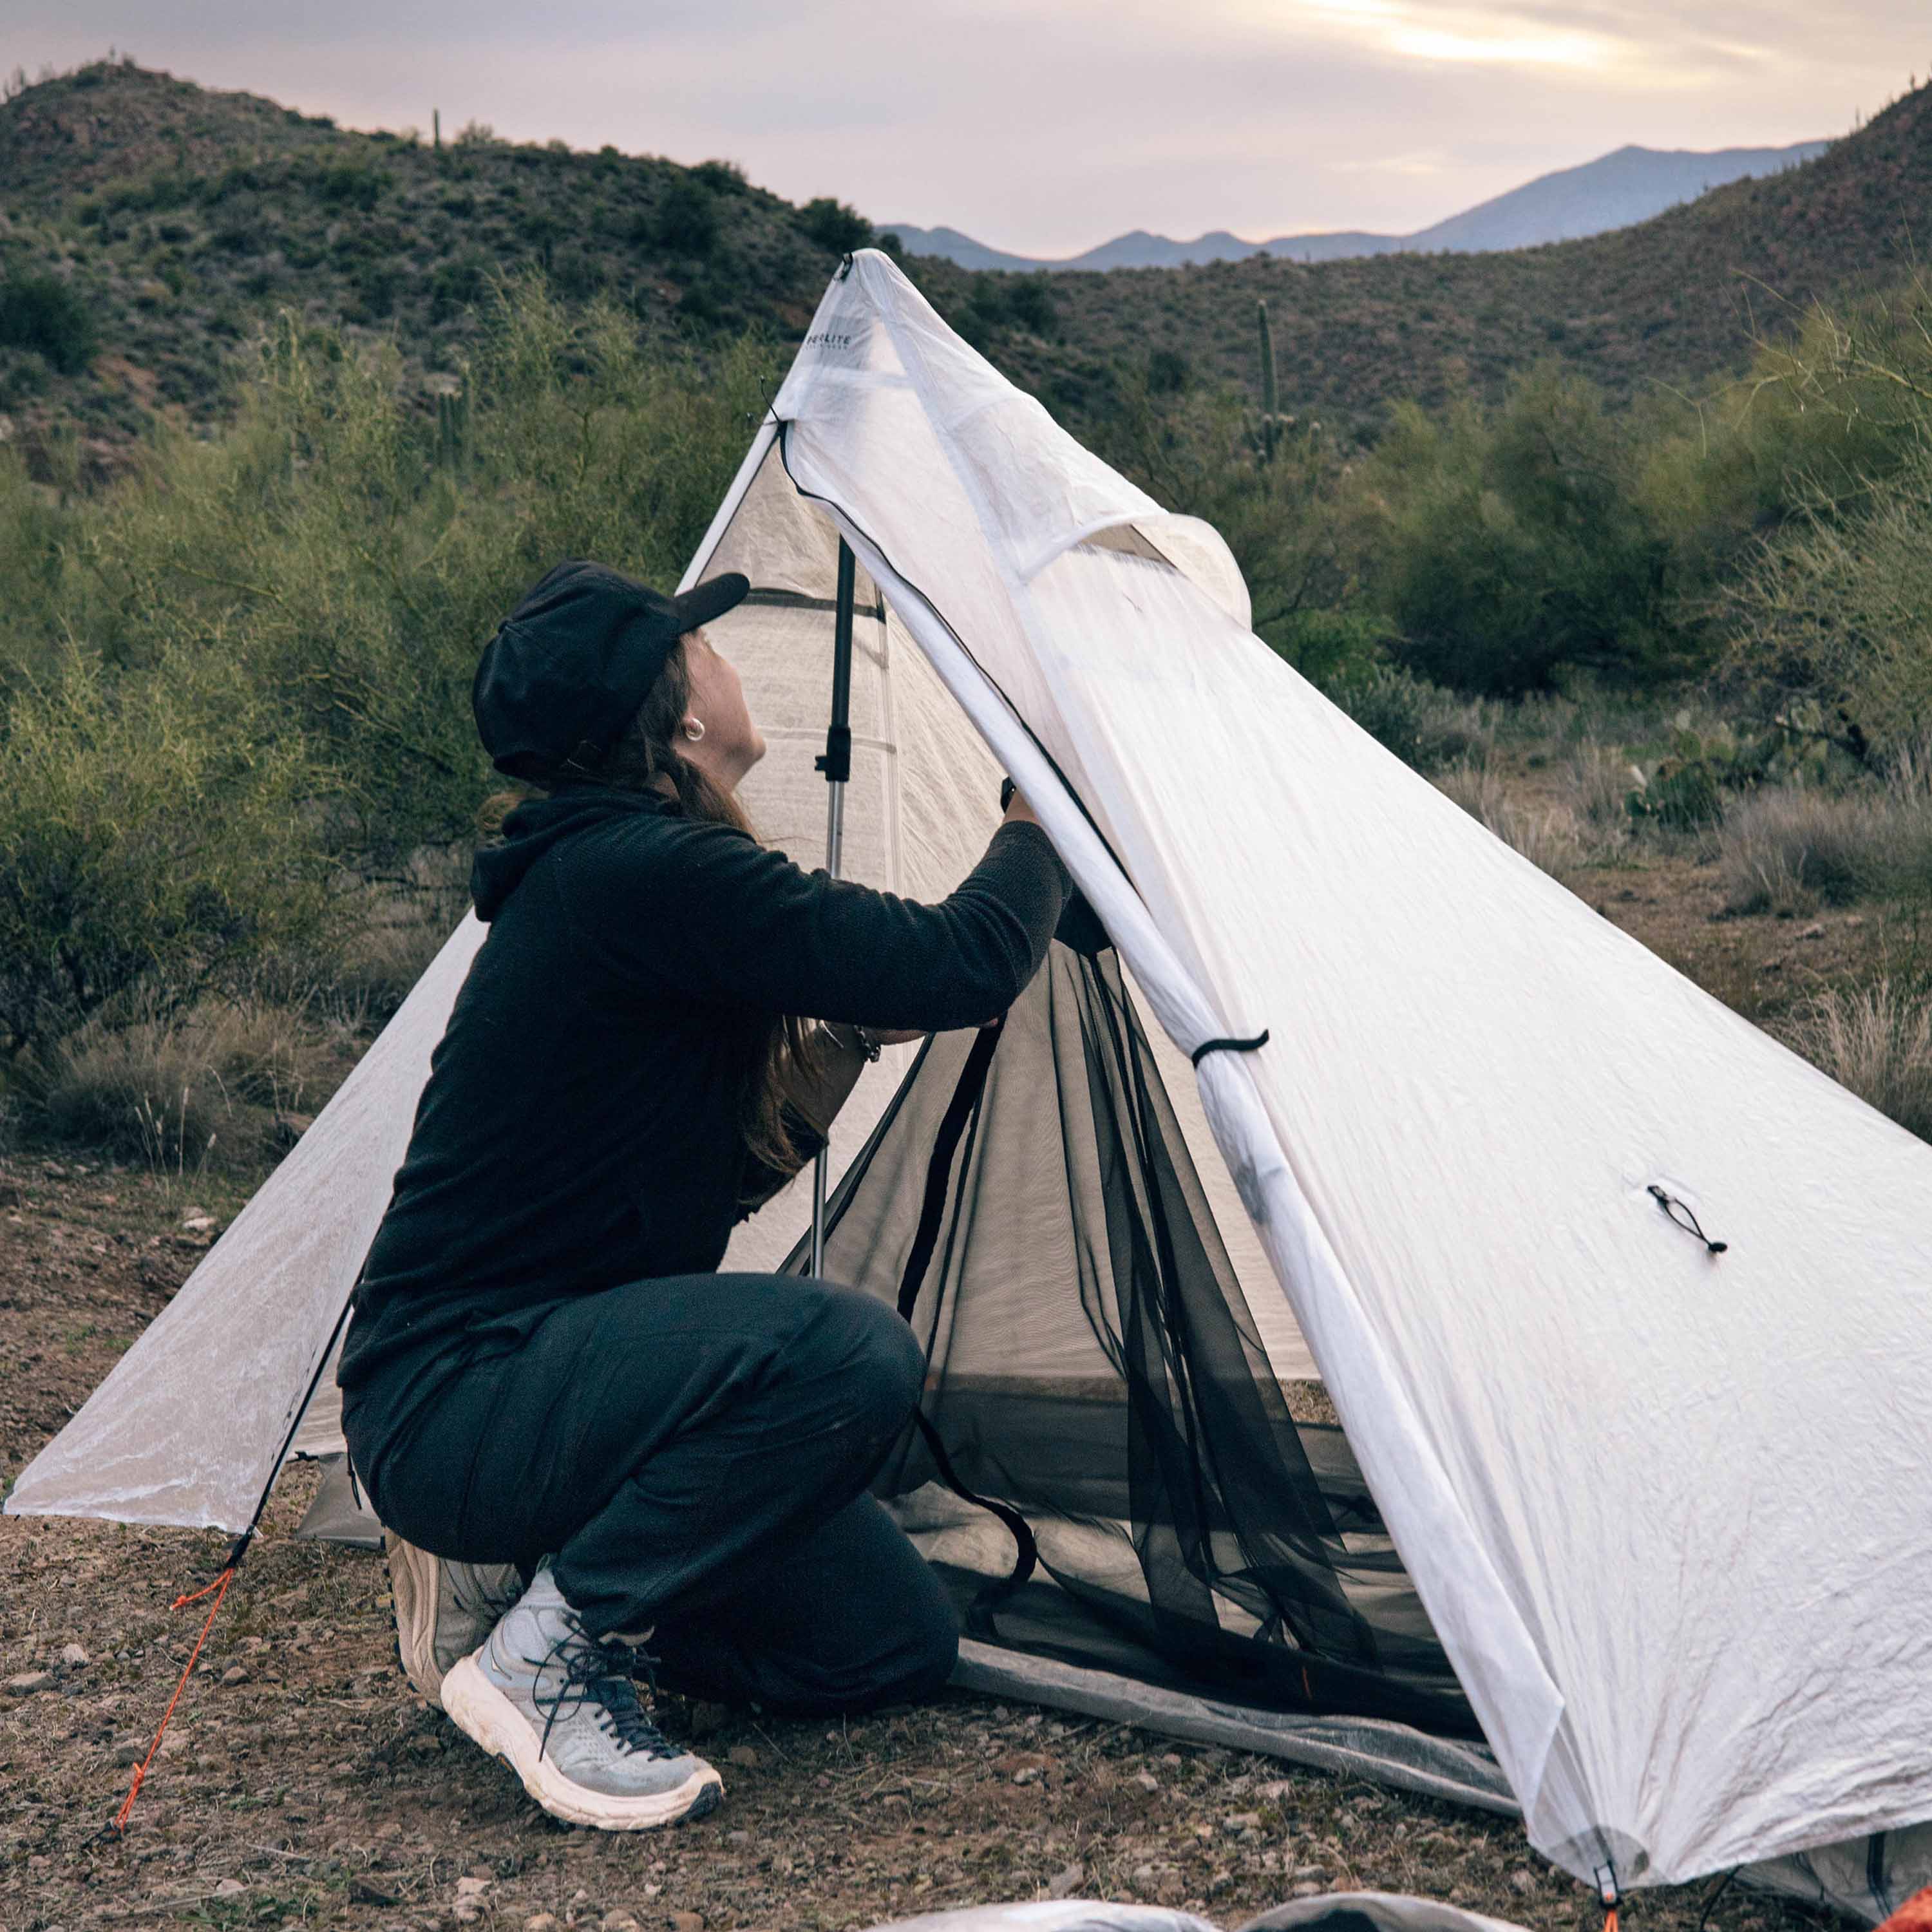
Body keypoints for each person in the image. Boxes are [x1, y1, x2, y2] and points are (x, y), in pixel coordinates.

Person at [337, 558, 1070, 1833]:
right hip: (454, 1396)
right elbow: (964, 962)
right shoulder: (638, 871)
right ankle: (548, 1662)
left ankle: (536, 1603)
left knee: (884, 1645)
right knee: (849, 1353)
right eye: (704, 647)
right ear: (679, 716)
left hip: (556, 1388)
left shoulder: (625, 883)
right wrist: (1039, 814)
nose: (731, 664)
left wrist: (835, 1047)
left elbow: (710, 1184)